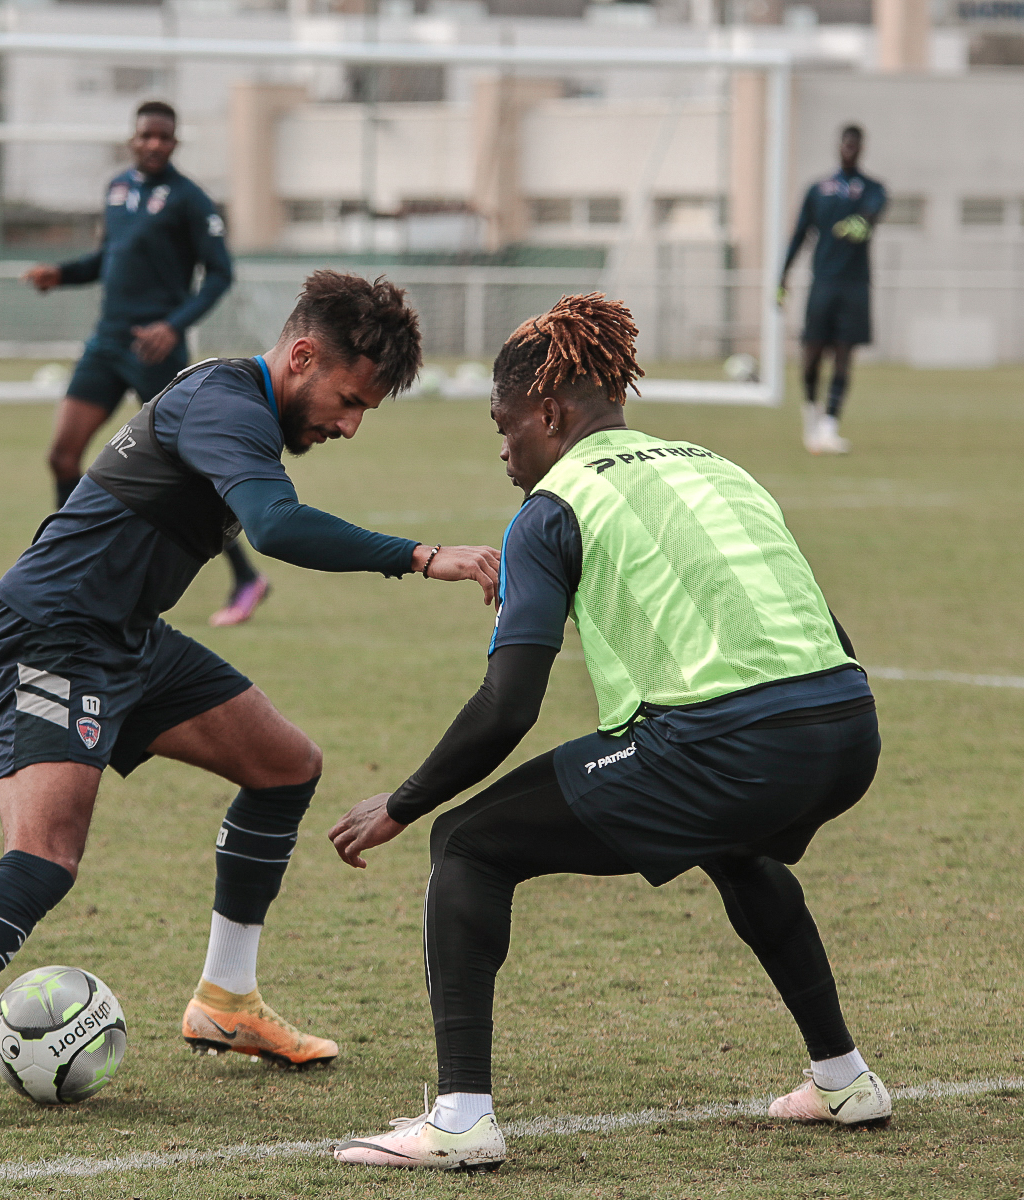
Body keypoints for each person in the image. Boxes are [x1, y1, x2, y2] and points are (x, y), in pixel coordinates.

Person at [0, 271, 501, 1134]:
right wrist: (421, 556)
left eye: (363, 413)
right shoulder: (227, 404)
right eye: (347, 400)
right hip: (53, 633)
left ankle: (227, 1000)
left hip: (126, 635)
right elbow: (274, 528)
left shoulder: (247, 408)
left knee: (283, 766)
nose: (347, 425)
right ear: (302, 355)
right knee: (44, 856)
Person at [328, 294, 891, 1173]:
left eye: (505, 424)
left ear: (549, 413)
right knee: (737, 845)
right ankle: (845, 1080)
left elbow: (508, 704)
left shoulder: (554, 508)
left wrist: (401, 804)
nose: (503, 449)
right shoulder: (717, 465)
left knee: (468, 843)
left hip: (728, 743)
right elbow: (825, 631)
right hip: (848, 726)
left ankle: (461, 1119)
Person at [23, 99, 270, 628]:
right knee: (63, 457)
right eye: (146, 136)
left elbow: (221, 274)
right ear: (133, 139)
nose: (154, 144)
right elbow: (106, 261)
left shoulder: (190, 200)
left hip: (156, 351)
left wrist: (172, 325)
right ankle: (71, 566)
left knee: (194, 476)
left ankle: (247, 577)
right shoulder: (116, 189)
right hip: (106, 344)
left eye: (164, 137)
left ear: (175, 142)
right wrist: (60, 276)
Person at [779, 124, 887, 456]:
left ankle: (830, 427)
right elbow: (800, 234)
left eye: (855, 145)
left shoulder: (873, 188)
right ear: (838, 146)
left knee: (843, 356)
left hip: (854, 286)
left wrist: (863, 223)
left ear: (862, 148)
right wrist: (782, 277)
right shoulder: (818, 190)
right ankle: (810, 416)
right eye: (845, 144)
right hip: (822, 283)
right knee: (811, 355)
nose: (849, 149)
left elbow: (874, 212)